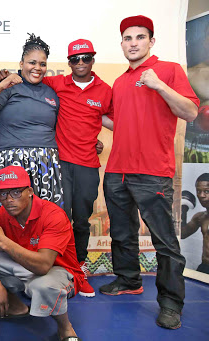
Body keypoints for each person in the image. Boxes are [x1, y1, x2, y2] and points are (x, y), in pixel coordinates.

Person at [100, 15, 199, 329]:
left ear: (151, 41)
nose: (133, 44)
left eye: (139, 38)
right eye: (128, 39)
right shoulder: (120, 81)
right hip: (117, 169)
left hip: (153, 171)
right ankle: (128, 280)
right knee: (121, 232)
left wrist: (159, 86)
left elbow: (191, 111)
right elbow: (120, 121)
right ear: (122, 44)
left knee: (164, 242)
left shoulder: (168, 71)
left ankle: (170, 304)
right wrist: (90, 113)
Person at [0, 39, 113, 297]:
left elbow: (113, 120)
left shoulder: (105, 90)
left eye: (86, 58)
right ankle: (58, 267)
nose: (80, 63)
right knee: (60, 219)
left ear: (93, 59)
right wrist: (6, 76)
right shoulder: (55, 83)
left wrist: (97, 139)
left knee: (82, 219)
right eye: (75, 59)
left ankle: (78, 268)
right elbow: (29, 77)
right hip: (58, 164)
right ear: (69, 63)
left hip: (87, 165)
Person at [0, 165, 84, 341]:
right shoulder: (2, 214)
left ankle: (65, 327)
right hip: (24, 265)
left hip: (58, 270)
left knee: (42, 285)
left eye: (15, 192)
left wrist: (2, 242)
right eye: (2, 194)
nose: (8, 200)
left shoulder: (53, 215)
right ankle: (16, 306)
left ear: (30, 191)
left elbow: (43, 265)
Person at [0, 34, 61, 221]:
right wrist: (1, 85)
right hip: (10, 163)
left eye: (42, 64)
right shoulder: (8, 86)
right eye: (32, 62)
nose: (37, 68)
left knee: (43, 221)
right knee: (6, 221)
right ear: (21, 63)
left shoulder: (52, 92)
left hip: (45, 166)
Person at [181, 173, 209, 274]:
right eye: (198, 191)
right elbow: (183, 234)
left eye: (206, 191)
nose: (201, 195)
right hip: (205, 266)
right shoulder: (200, 217)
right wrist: (183, 208)